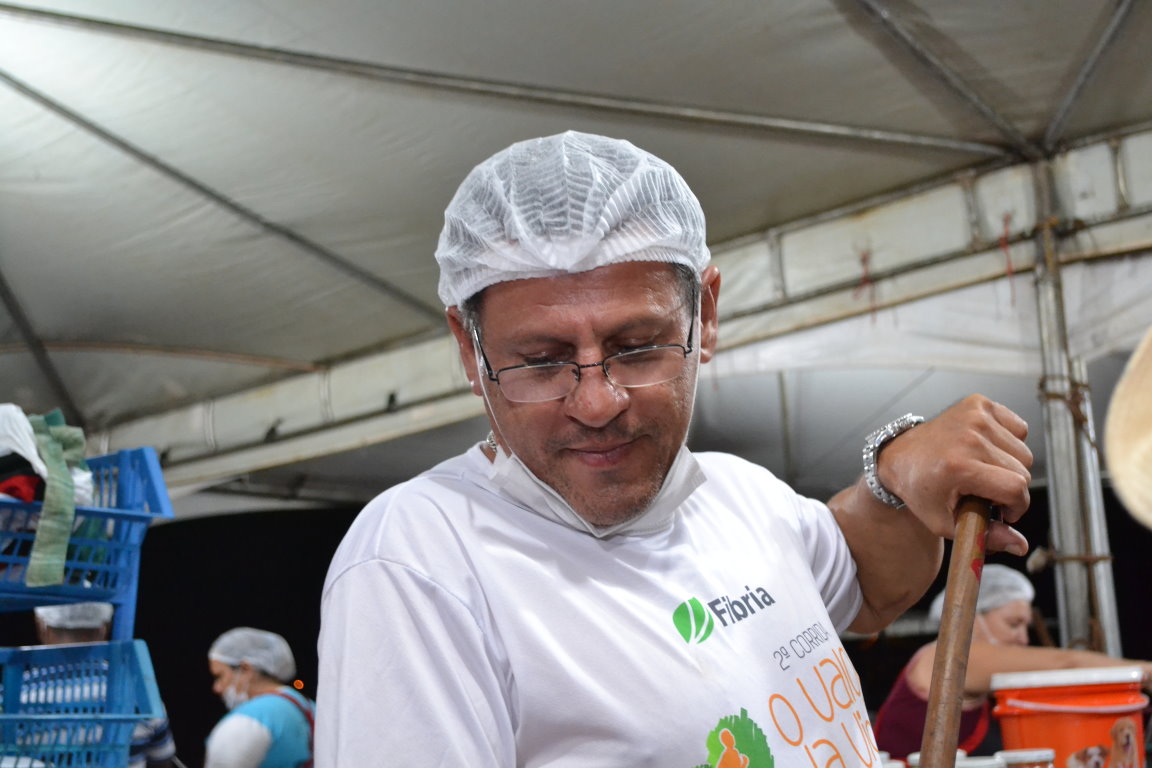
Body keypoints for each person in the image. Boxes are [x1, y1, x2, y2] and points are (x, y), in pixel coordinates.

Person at [316, 130, 1036, 766]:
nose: (597, 402)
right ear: (469, 351)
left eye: (638, 348)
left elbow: (872, 586)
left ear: (706, 315)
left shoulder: (734, 493)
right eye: (540, 362)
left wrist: (896, 467)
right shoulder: (422, 559)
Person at [873, 565, 1152, 759]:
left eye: (1025, 627)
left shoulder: (981, 689)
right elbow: (1065, 662)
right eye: (1013, 624)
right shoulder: (946, 657)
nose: (1023, 639)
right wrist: (1144, 670)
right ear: (972, 618)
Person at [33, 602, 178, 768]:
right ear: (105, 628)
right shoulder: (140, 693)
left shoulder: (18, 693)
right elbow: (162, 760)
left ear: (42, 628)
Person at [205, 627, 314, 768]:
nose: (217, 688)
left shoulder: (251, 719)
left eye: (219, 676)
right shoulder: (309, 707)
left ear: (245, 669)